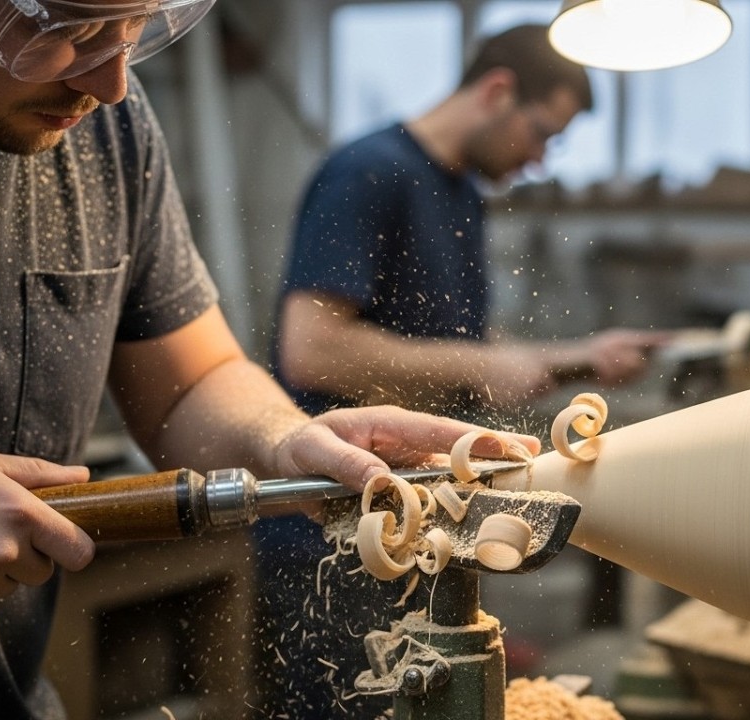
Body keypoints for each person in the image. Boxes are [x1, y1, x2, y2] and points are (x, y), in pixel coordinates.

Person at [0, 1, 538, 717]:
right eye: (69, 31)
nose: (111, 83)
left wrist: (285, 439)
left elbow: (188, 386)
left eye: (133, 30)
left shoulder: (105, 126)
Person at [259, 24, 670, 717]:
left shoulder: (459, 193)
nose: (539, 159)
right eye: (542, 133)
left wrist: (580, 355)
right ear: (498, 91)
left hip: (417, 518)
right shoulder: (369, 172)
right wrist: (484, 362)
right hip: (332, 527)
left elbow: (455, 345)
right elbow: (312, 348)